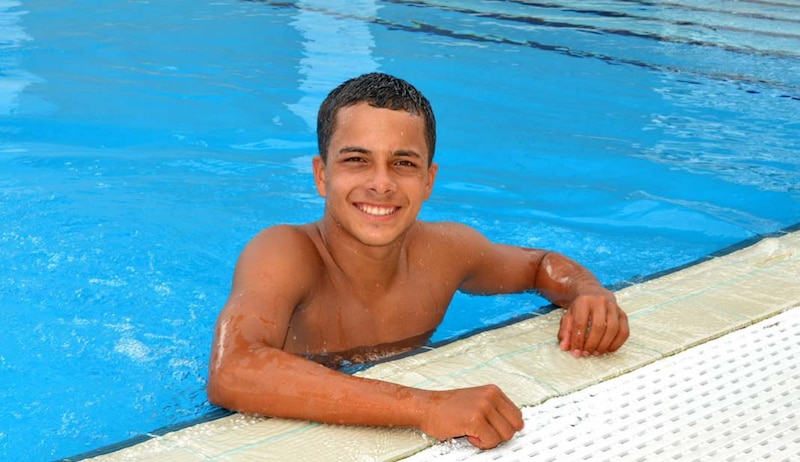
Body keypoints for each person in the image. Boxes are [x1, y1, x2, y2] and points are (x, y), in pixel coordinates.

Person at [207, 72, 629, 450]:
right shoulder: (284, 252)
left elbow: (539, 264)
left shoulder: (446, 252)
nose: (381, 184)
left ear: (428, 179)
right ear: (322, 175)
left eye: (403, 163)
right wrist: (427, 408)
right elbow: (234, 370)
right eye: (357, 160)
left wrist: (587, 292)